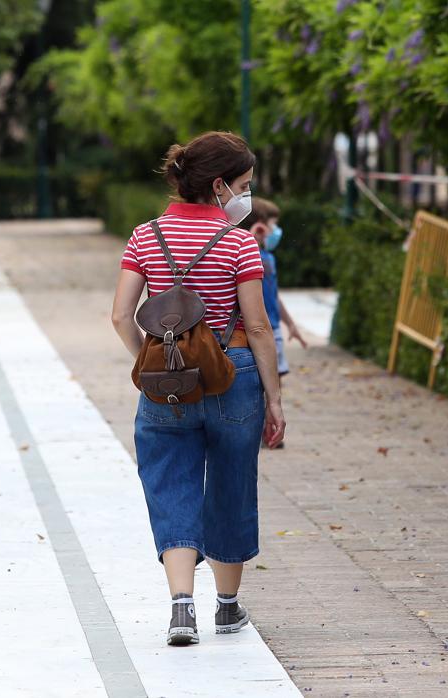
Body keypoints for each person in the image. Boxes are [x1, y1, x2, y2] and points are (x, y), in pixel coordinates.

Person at [110, 131, 286, 647]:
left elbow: (121, 315)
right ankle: (227, 608)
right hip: (233, 374)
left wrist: (153, 359)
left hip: (168, 380)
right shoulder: (238, 243)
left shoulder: (145, 236)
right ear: (218, 186)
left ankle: (182, 605)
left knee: (169, 478)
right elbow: (257, 327)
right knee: (232, 482)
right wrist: (275, 398)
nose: (247, 196)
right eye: (244, 185)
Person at [247, 197, 308, 414]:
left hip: (273, 327)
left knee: (275, 376)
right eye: (273, 225)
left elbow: (274, 296)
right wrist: (251, 239)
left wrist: (290, 324)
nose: (276, 231)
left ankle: (270, 419)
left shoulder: (269, 259)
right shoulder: (249, 255)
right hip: (257, 328)